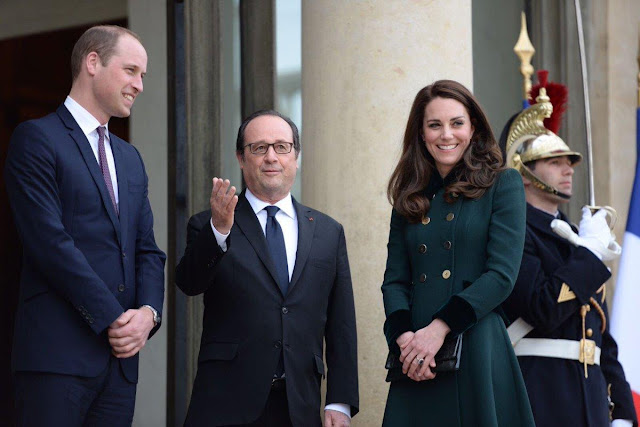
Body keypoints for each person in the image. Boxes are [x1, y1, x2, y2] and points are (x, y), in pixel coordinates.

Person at [4, 25, 166, 426]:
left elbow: (147, 249)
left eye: (143, 75)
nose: (139, 85)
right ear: (93, 62)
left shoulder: (130, 158)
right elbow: (50, 244)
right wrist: (114, 318)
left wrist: (148, 314)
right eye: (131, 70)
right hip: (56, 361)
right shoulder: (36, 139)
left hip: (119, 368)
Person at [175, 110, 359, 426]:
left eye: (282, 147)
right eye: (259, 148)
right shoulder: (210, 224)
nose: (271, 157)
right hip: (225, 403)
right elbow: (189, 283)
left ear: (296, 157)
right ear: (241, 158)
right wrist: (219, 230)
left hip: (299, 404)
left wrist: (340, 401)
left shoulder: (328, 232)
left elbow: (341, 322)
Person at [381, 80, 535, 426]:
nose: (446, 134)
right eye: (434, 125)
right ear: (421, 134)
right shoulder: (409, 197)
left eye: (457, 123)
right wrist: (406, 341)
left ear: (473, 128)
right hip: (415, 353)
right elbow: (394, 282)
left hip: (475, 344)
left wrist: (439, 330)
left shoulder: (503, 184)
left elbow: (501, 275)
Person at [500, 74, 637, 427]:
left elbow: (602, 337)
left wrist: (623, 412)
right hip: (541, 396)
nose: (568, 170)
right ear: (524, 173)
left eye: (570, 162)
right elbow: (543, 309)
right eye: (555, 162)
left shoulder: (577, 239)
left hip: (592, 404)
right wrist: (589, 255)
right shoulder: (512, 233)